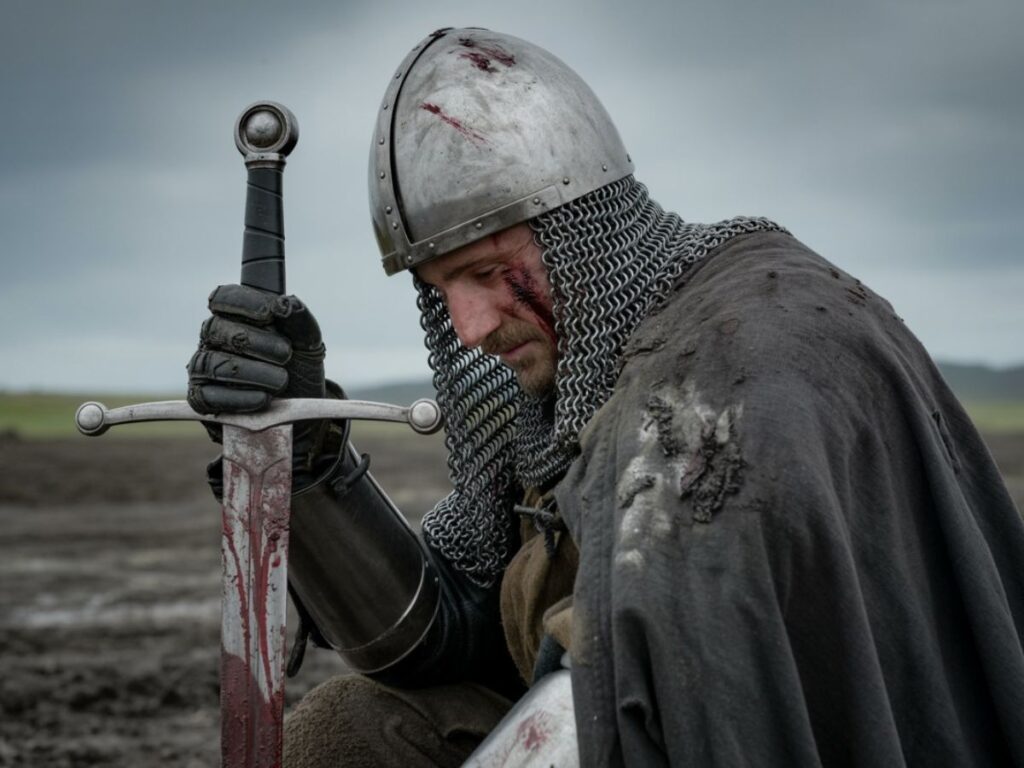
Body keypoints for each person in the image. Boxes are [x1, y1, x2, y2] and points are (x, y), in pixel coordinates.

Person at [186, 27, 1024, 768]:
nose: (470, 327)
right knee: (352, 732)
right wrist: (311, 463)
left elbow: (662, 675)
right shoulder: (573, 376)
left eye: (487, 271)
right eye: (443, 292)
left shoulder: (749, 355)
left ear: (578, 226)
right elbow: (450, 636)